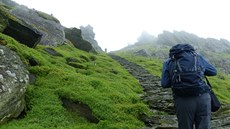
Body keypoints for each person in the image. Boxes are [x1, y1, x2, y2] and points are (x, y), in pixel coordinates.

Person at [161, 44, 217, 129]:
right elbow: (213, 72)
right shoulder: (198, 57)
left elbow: (164, 84)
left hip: (182, 99)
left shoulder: (168, 61)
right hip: (202, 97)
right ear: (191, 50)